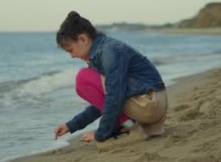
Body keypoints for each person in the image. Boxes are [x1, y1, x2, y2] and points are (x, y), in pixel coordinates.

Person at [52, 11, 168, 149]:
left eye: (70, 50)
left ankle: (129, 128)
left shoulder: (109, 51)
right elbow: (105, 100)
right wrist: (71, 125)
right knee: (83, 84)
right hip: (151, 104)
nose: (72, 56)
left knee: (83, 78)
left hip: (150, 103)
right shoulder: (103, 51)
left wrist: (101, 134)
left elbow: (114, 96)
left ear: (83, 39)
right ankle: (126, 126)